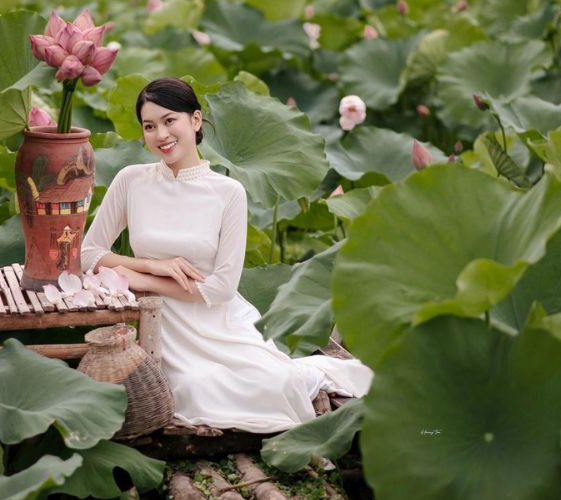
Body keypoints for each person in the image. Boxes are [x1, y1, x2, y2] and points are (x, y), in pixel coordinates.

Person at [81, 77, 372, 433]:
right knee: (195, 390)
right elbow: (88, 254)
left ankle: (312, 374)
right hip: (161, 323)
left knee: (277, 383)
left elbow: (220, 289)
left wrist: (140, 280)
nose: (161, 134)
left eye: (170, 120)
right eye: (149, 126)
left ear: (196, 121)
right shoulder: (131, 180)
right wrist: (150, 266)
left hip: (218, 320)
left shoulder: (228, 192)